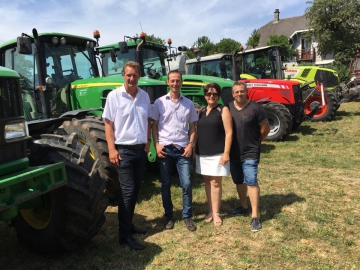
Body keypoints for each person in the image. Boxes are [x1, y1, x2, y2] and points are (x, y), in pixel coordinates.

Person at [103, 61, 151, 250]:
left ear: (139, 76)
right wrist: (112, 149)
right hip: (123, 151)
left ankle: (129, 224)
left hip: (140, 150)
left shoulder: (144, 96)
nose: (132, 79)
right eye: (128, 75)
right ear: (123, 75)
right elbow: (108, 124)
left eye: (135, 75)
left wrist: (147, 141)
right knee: (128, 192)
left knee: (136, 190)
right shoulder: (114, 96)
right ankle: (124, 236)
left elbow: (147, 119)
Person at [152, 70, 198, 232]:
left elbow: (193, 127)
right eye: (172, 81)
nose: (175, 83)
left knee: (186, 183)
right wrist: (156, 145)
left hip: (182, 149)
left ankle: (187, 216)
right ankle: (168, 216)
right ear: (167, 82)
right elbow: (155, 126)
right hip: (165, 148)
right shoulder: (159, 103)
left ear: (181, 82)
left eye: (178, 81)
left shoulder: (188, 104)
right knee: (165, 184)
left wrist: (190, 145)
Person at [228, 81, 270, 232]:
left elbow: (265, 128)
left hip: (250, 152)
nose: (239, 94)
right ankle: (244, 206)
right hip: (233, 152)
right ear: (233, 94)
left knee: (251, 181)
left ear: (246, 92)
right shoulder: (229, 108)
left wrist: (257, 142)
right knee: (238, 180)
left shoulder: (256, 108)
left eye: (242, 91)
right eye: (236, 92)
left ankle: (255, 216)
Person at [195, 83, 233, 226]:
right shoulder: (201, 111)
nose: (211, 96)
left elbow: (229, 133)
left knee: (215, 183)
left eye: (214, 94)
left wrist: (226, 153)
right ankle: (210, 210)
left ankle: (216, 213)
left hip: (218, 153)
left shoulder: (223, 110)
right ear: (205, 95)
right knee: (206, 182)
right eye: (208, 94)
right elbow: (197, 132)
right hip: (202, 153)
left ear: (218, 95)